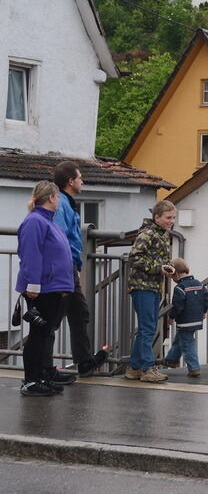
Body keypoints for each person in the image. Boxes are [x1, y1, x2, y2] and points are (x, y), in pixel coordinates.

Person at [15, 181, 77, 396]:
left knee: (44, 333)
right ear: (51, 198)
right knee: (38, 335)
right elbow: (31, 254)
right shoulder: (35, 221)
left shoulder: (47, 222)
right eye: (57, 197)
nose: (58, 201)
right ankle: (31, 380)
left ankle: (41, 376)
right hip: (43, 287)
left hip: (53, 286)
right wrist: (32, 284)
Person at [51, 161, 108, 377]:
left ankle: (84, 361)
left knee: (79, 312)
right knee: (54, 318)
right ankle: (46, 368)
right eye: (79, 177)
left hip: (69, 267)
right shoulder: (62, 205)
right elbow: (59, 237)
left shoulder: (66, 202)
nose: (82, 180)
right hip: (64, 269)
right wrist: (68, 265)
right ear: (70, 181)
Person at [126, 200, 177, 383]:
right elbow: (135, 258)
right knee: (148, 328)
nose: (171, 221)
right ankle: (147, 368)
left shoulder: (162, 234)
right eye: (168, 218)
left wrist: (167, 268)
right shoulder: (148, 233)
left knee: (146, 328)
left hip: (153, 286)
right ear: (157, 217)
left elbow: (155, 260)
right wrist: (159, 268)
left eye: (173, 218)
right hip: (142, 286)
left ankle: (134, 367)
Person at [163, 258, 208, 378]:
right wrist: (204, 311)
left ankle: (194, 368)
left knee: (188, 343)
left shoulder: (180, 287)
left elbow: (178, 305)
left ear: (176, 273)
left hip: (185, 321)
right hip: (196, 319)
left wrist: (171, 316)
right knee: (180, 339)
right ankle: (171, 359)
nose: (172, 279)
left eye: (171, 276)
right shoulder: (199, 284)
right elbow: (206, 298)